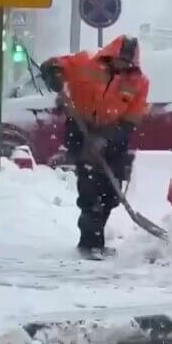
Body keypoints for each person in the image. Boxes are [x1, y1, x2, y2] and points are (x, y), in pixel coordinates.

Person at [39, 36, 149, 260]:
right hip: (82, 131)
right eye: (121, 60)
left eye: (128, 62)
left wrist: (107, 139)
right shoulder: (85, 63)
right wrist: (54, 75)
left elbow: (131, 119)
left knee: (111, 193)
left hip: (114, 136)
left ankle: (94, 239)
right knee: (90, 193)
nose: (124, 65)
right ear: (112, 54)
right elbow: (52, 64)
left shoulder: (139, 81)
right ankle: (90, 242)